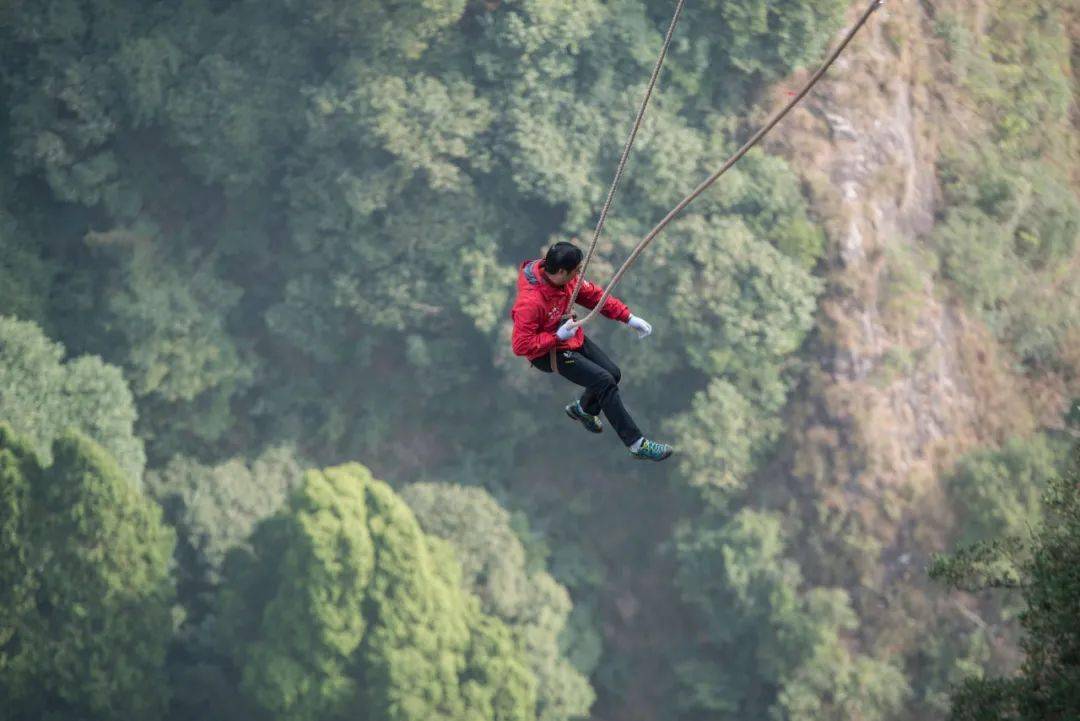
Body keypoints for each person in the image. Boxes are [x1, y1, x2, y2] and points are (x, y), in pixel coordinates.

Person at [510, 241, 674, 461]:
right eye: (576, 270)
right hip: (548, 353)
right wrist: (556, 337)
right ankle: (636, 443)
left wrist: (629, 318)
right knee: (604, 381)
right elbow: (521, 345)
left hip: (569, 338)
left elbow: (595, 297)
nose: (579, 274)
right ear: (561, 271)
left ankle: (584, 409)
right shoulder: (531, 302)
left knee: (613, 374)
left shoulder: (567, 282)